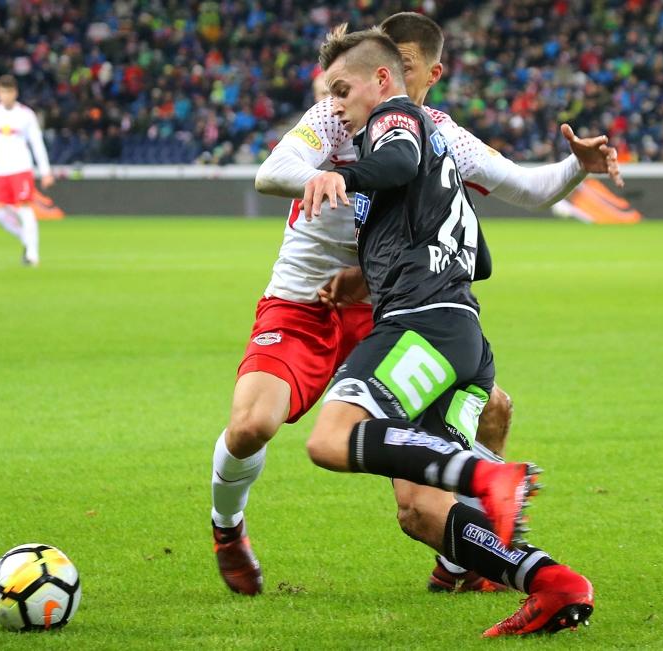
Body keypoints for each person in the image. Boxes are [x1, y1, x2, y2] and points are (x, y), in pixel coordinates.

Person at [217, 11, 620, 597]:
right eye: (384, 64)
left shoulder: (438, 131)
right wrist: (332, 177)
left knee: (490, 414)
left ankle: (465, 556)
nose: (391, 76)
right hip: (308, 295)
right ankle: (227, 528)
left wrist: (574, 167)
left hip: (387, 304)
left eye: (404, 65)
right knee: (254, 424)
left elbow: (528, 190)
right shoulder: (335, 111)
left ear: (428, 73)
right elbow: (275, 169)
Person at [299, 25, 594, 636]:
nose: (334, 105)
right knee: (421, 511)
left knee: (329, 440)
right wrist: (372, 269)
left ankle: (488, 475)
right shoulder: (440, 151)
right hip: (463, 336)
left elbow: (398, 157)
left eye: (340, 89)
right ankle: (552, 583)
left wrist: (343, 178)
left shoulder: (396, 117)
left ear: (384, 79)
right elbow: (479, 259)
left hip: (421, 328)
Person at [0, 75, 54, 266]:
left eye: (9, 92)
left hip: (21, 168)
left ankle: (32, 255)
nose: (6, 96)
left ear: (15, 93)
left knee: (25, 209)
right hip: (1, 170)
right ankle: (26, 239)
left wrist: (45, 171)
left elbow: (37, 143)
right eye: (2, 92)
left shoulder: (25, 115)